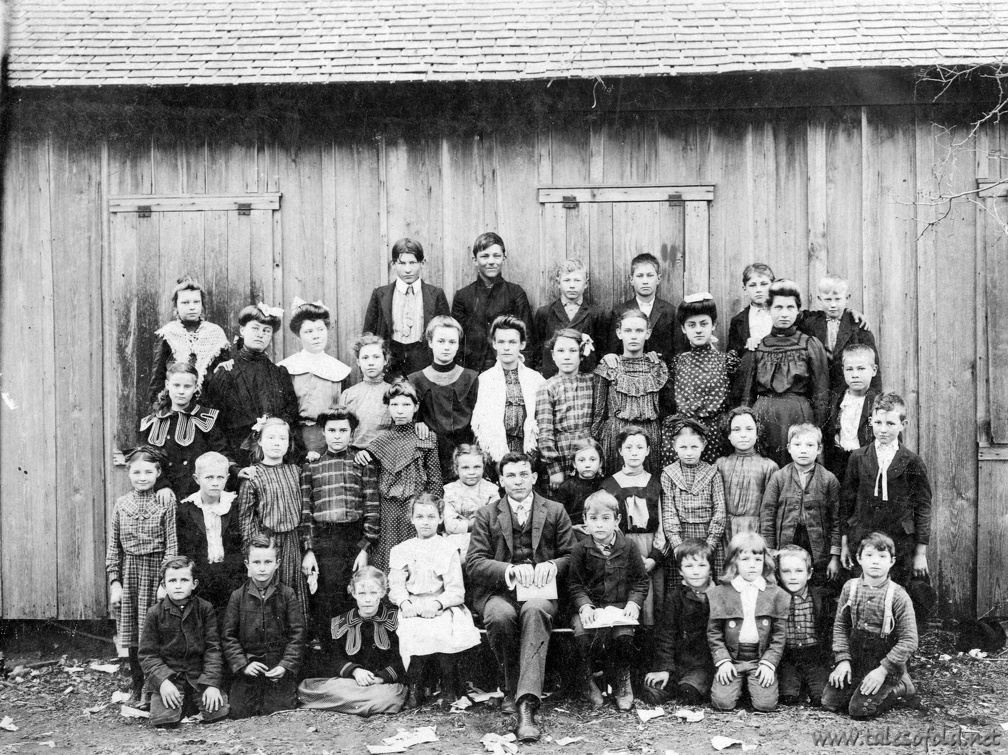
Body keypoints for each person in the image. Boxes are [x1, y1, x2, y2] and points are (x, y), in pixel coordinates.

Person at [466, 451, 576, 743]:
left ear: (534, 477)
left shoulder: (555, 510)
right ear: (501, 480)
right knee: (500, 615)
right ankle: (510, 685)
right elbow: (474, 562)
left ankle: (526, 705)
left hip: (540, 594)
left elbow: (572, 556)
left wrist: (552, 565)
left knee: (535, 611)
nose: (518, 481)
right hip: (499, 592)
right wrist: (509, 570)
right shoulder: (487, 514)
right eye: (511, 475)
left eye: (523, 474)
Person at [840, 393, 934, 623]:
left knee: (897, 593)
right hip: (864, 537)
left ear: (903, 425)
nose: (883, 429)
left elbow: (922, 506)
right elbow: (846, 503)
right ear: (871, 421)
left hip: (899, 542)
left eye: (891, 423)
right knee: (864, 592)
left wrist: (920, 553)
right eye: (878, 422)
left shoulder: (911, 461)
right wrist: (844, 543)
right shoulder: (858, 458)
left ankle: (898, 646)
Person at [389, 494, 482, 707]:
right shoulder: (401, 549)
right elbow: (395, 585)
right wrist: (405, 603)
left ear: (441, 518)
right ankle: (416, 687)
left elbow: (456, 590)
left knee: (444, 630)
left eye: (431, 516)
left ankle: (448, 687)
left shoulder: (447, 548)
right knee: (412, 628)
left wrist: (438, 604)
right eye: (419, 516)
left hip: (443, 605)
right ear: (411, 519)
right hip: (413, 604)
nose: (425, 521)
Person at [299, 408, 380, 645]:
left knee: (354, 593)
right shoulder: (311, 466)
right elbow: (306, 509)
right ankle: (327, 654)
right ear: (323, 433)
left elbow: (372, 505)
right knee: (325, 596)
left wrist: (364, 548)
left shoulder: (361, 462)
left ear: (352, 433)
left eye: (343, 430)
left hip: (353, 538)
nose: (337, 436)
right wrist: (309, 549)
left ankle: (353, 652)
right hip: (324, 540)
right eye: (331, 430)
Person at [107, 447, 179, 705]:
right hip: (130, 575)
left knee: (156, 632)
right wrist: (116, 583)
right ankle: (138, 687)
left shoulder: (165, 503)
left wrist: (165, 582)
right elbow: (113, 547)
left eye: (148, 471)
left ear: (158, 473)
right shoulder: (121, 504)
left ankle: (157, 688)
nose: (142, 477)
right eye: (136, 472)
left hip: (155, 573)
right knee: (133, 635)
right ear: (128, 473)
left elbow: (171, 545)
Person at [568, 490, 650, 710]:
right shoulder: (580, 550)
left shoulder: (629, 547)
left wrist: (633, 603)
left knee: (624, 636)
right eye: (593, 519)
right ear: (585, 521)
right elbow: (574, 584)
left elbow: (641, 581)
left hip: (620, 608)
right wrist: (584, 605)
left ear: (617, 520)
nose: (599, 525)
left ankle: (622, 679)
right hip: (590, 609)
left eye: (606, 519)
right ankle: (588, 680)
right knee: (583, 636)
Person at [823, 532, 918, 718]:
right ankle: (861, 684)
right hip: (857, 661)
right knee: (829, 702)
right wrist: (843, 661)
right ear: (859, 558)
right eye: (869, 555)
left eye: (882, 556)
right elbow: (840, 626)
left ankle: (901, 685)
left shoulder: (898, 595)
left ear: (892, 561)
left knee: (859, 710)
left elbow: (909, 640)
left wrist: (883, 671)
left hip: (885, 665)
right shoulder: (850, 588)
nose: (875, 562)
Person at [738, 279, 830, 467]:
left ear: (798, 311)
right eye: (778, 307)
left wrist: (817, 429)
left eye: (790, 307)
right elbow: (746, 395)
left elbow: (821, 392)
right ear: (768, 309)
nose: (784, 314)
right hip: (764, 417)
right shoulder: (758, 346)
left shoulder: (809, 344)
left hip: (799, 415)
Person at [297, 567, 407, 716]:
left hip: (382, 685)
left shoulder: (395, 620)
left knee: (389, 696)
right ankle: (366, 705)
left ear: (382, 592)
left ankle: (346, 704)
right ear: (353, 593)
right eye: (362, 593)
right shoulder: (340, 623)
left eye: (373, 593)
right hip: (350, 683)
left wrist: (381, 678)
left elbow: (402, 659)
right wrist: (355, 671)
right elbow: (333, 658)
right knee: (309, 688)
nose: (367, 599)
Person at [205, 303, 303, 467]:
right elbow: (214, 424)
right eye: (255, 328)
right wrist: (230, 464)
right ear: (242, 330)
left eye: (266, 331)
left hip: (276, 458)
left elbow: (291, 418)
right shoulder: (227, 372)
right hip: (238, 458)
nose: (260, 335)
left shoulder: (279, 374)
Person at [361, 379, 444, 572]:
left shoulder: (425, 437)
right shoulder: (380, 442)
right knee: (390, 554)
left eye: (406, 405)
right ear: (388, 407)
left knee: (418, 557)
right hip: (388, 510)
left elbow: (435, 480)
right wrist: (361, 454)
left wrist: (431, 511)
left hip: (417, 508)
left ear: (415, 407)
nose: (400, 410)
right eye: (394, 404)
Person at [138, 556, 229, 726]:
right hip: (170, 677)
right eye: (172, 580)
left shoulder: (204, 609)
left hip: (198, 677)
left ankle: (191, 702)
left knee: (219, 713)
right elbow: (147, 655)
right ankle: (166, 699)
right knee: (164, 720)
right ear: (164, 585)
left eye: (184, 580)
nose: (178, 585)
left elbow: (213, 649)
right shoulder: (155, 613)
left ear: (194, 584)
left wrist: (211, 683)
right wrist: (163, 682)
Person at [221, 535, 305, 718]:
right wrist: (243, 665)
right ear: (247, 564)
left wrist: (285, 665)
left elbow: (297, 635)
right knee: (239, 712)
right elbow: (228, 636)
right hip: (249, 666)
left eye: (268, 561)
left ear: (277, 563)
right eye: (256, 562)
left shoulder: (287, 595)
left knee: (280, 711)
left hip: (277, 667)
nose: (262, 568)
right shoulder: (237, 596)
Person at [707, 532, 790, 712]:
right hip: (732, 658)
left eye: (757, 560)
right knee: (722, 703)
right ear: (734, 562)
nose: (752, 565)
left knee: (765, 705)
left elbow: (779, 635)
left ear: (765, 561)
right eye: (745, 559)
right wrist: (723, 662)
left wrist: (769, 664)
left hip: (759, 659)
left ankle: (752, 685)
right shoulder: (720, 593)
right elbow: (714, 633)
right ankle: (738, 685)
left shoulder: (776, 594)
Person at [235, 417, 307, 622]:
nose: (277, 442)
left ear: (289, 443)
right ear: (259, 441)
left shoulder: (296, 471)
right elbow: (246, 517)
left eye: (282, 438)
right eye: (271, 437)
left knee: (293, 591)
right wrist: (254, 548)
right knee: (268, 592)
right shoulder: (253, 475)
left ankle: (296, 642)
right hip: (266, 543)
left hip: (293, 542)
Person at [660, 293, 739, 464]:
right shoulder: (678, 362)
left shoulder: (726, 361)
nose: (698, 330)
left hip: (716, 435)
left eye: (704, 324)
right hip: (685, 435)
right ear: (683, 328)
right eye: (691, 325)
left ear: (713, 325)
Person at [141, 361, 236, 502]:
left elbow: (221, 453)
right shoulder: (153, 421)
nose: (181, 391)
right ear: (167, 385)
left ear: (195, 387)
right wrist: (161, 485)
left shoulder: (207, 418)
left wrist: (237, 471)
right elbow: (148, 460)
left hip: (198, 494)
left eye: (187, 386)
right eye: (176, 385)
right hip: (164, 494)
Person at [760, 424, 841, 585]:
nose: (803, 450)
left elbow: (836, 520)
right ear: (789, 448)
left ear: (819, 449)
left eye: (810, 445)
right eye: (797, 445)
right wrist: (770, 549)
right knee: (787, 582)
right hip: (786, 542)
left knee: (816, 586)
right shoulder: (779, 477)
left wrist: (834, 557)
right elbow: (767, 515)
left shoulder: (828, 479)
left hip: (818, 547)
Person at [600, 427, 666, 626]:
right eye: (628, 447)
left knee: (653, 606)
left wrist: (655, 557)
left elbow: (662, 524)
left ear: (647, 451)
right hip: (623, 549)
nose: (634, 452)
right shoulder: (609, 485)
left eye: (639, 447)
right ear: (620, 451)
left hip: (651, 546)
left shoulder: (655, 483)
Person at [592, 309, 669, 474]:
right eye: (628, 331)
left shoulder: (657, 366)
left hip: (650, 436)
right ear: (619, 333)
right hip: (616, 436)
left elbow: (665, 408)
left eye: (639, 330)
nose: (633, 336)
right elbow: (598, 412)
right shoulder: (608, 366)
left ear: (648, 333)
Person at [363, 238, 451, 380]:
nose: (408, 269)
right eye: (402, 263)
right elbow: (368, 333)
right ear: (393, 264)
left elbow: (446, 333)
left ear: (422, 263)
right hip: (391, 363)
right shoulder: (380, 294)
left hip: (424, 362)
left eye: (413, 263)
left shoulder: (435, 295)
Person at [641, 539, 716, 707]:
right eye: (689, 567)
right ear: (680, 571)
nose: (695, 572)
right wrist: (665, 668)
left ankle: (692, 685)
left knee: (689, 692)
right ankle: (672, 682)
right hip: (678, 662)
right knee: (652, 693)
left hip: (703, 664)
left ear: (710, 568)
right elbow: (666, 634)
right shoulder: (675, 597)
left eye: (701, 566)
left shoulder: (718, 596)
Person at [451, 232, 534, 372]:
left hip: (508, 366)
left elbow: (527, 336)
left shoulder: (515, 293)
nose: (491, 261)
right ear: (475, 260)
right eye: (484, 256)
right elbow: (456, 338)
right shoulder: (463, 296)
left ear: (504, 258)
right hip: (472, 369)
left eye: (496, 256)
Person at [408, 316, 479, 480]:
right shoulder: (416, 380)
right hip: (430, 452)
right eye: (441, 341)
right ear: (431, 342)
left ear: (458, 345)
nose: (446, 347)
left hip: (465, 454)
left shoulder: (470, 377)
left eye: (452, 342)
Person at [278, 299, 351, 456]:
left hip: (329, 436)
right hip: (293, 435)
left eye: (320, 330)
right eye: (309, 332)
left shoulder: (339, 369)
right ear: (299, 335)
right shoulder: (287, 367)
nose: (316, 336)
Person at [472, 315, 545, 471]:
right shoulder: (486, 379)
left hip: (527, 447)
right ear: (494, 344)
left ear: (522, 344)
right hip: (496, 449)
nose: (506, 348)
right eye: (501, 342)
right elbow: (482, 423)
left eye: (512, 342)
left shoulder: (535, 379)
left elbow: (541, 418)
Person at [177, 451, 245, 616]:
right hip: (201, 577)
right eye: (209, 478)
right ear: (196, 479)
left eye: (220, 478)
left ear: (227, 478)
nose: (215, 483)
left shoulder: (234, 505)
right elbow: (184, 548)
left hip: (230, 576)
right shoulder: (186, 509)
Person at [147, 276, 231, 408]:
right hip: (174, 403)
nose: (192, 307)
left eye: (196, 302)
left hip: (208, 404)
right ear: (176, 307)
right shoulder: (167, 334)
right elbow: (158, 376)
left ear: (202, 305)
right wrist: (158, 405)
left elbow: (223, 376)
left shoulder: (215, 333)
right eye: (185, 303)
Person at [797, 274, 882, 403]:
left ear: (847, 298)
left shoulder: (858, 326)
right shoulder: (810, 322)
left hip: (849, 391)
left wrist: (875, 400)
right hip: (819, 392)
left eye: (837, 299)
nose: (833, 305)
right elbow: (793, 317)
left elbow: (873, 365)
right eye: (828, 299)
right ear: (819, 299)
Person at [660, 418, 726, 576]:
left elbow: (720, 510)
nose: (689, 452)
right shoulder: (668, 474)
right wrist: (677, 544)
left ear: (703, 445)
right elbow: (669, 511)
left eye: (694, 447)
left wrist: (710, 544)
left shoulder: (713, 473)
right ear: (674, 446)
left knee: (707, 578)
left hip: (707, 536)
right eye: (683, 447)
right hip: (681, 535)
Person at [534, 328, 596, 493]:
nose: (567, 356)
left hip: (587, 453)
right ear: (553, 356)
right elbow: (545, 432)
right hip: (561, 454)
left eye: (573, 350)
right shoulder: (548, 387)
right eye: (561, 351)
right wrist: (554, 469)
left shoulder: (592, 381)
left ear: (581, 354)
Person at [531, 259, 608, 377]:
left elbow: (602, 351)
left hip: (586, 379)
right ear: (558, 283)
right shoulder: (545, 313)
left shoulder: (596, 314)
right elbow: (536, 351)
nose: (572, 285)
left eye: (577, 280)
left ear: (586, 284)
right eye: (567, 280)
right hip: (552, 378)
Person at [607, 252, 686, 366]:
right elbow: (613, 350)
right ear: (631, 280)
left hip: (661, 372)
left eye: (650, 275)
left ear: (658, 278)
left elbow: (678, 351)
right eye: (639, 276)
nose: (645, 281)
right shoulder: (620, 311)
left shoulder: (671, 311)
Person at [776, 544, 831, 707]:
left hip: (814, 656)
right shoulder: (778, 598)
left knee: (820, 699)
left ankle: (810, 685)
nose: (793, 577)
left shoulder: (818, 597)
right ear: (778, 574)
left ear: (809, 573)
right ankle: (795, 685)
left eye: (799, 571)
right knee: (788, 698)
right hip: (789, 657)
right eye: (786, 571)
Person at [716, 407, 779, 540]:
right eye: (736, 430)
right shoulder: (721, 464)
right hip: (725, 531)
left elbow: (771, 509)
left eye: (749, 429)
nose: (743, 435)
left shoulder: (768, 466)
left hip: (755, 531)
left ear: (758, 433)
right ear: (728, 435)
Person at [824, 344, 879, 486]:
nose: (855, 374)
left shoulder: (879, 403)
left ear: (873, 370)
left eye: (861, 368)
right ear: (843, 371)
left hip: (868, 463)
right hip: (840, 462)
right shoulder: (837, 399)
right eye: (849, 369)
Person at [442, 444, 500, 562]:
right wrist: (480, 521)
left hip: (484, 539)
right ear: (456, 468)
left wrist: (465, 523)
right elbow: (450, 526)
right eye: (465, 468)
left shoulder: (491, 490)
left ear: (483, 467)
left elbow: (495, 522)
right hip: (457, 540)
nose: (471, 472)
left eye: (477, 467)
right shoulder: (450, 491)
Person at [339, 334, 393, 450]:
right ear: (358, 362)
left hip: (384, 454)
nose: (371, 363)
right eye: (365, 358)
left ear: (385, 360)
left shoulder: (392, 392)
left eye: (376, 357)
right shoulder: (349, 394)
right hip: (354, 454)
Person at [726, 263, 774, 356]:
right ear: (745, 290)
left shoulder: (783, 313)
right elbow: (733, 355)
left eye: (764, 284)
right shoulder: (738, 321)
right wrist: (746, 347)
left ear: (772, 286)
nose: (758, 290)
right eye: (752, 285)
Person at [554, 438, 605, 528]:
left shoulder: (605, 486)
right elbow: (559, 518)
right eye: (582, 460)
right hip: (573, 532)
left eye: (592, 459)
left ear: (600, 462)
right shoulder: (566, 487)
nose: (587, 465)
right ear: (574, 464)